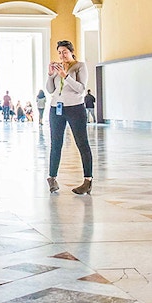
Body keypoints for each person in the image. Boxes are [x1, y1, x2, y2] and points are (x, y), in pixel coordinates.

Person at [45, 40, 94, 196]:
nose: (62, 55)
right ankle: (52, 178)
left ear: (72, 52)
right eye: (59, 52)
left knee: (82, 143)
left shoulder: (80, 66)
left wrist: (65, 76)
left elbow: (80, 89)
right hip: (56, 108)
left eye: (65, 52)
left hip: (75, 108)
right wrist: (50, 75)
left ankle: (87, 180)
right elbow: (50, 90)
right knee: (55, 144)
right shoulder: (58, 67)